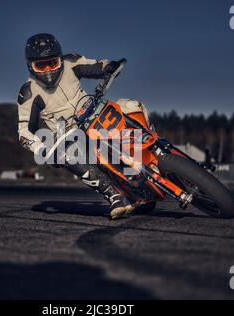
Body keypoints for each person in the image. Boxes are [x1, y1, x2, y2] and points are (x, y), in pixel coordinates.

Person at [17, 33, 149, 219]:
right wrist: (42, 148)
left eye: (52, 63)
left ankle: (154, 153)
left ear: (60, 60)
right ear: (31, 66)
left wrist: (109, 66)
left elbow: (95, 66)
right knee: (67, 156)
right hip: (65, 134)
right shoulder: (27, 93)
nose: (47, 70)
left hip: (92, 112)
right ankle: (115, 196)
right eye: (41, 65)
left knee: (131, 106)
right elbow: (23, 131)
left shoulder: (71, 62)